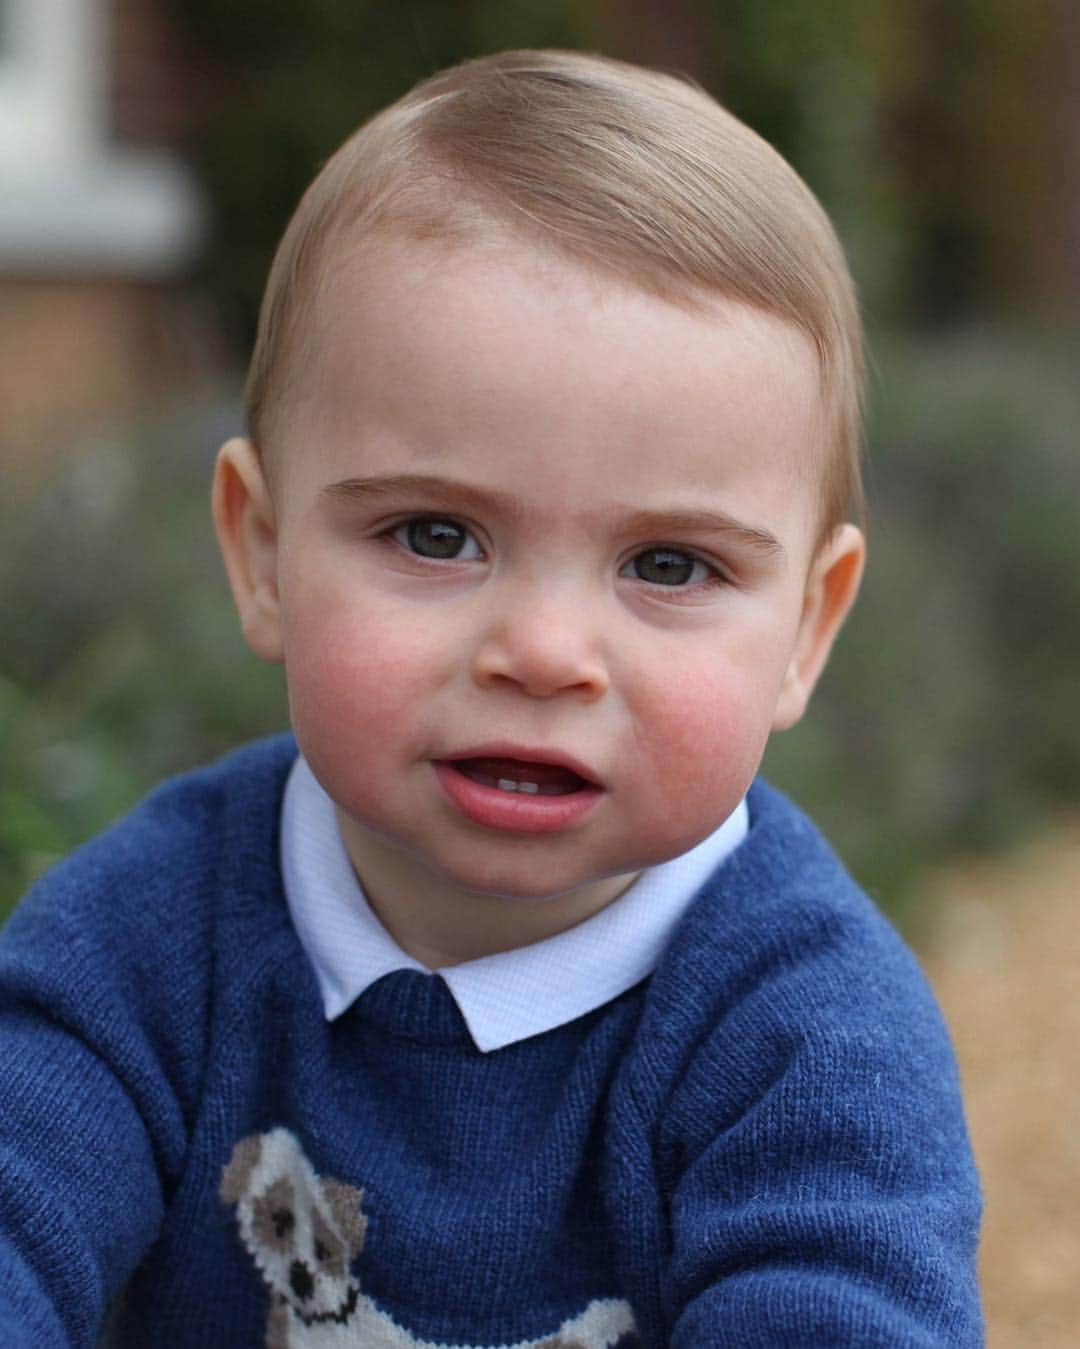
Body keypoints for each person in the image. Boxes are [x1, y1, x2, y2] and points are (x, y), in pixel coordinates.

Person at [0, 49, 982, 1348]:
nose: (543, 652)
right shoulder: (141, 945)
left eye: (668, 565)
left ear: (806, 632)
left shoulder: (806, 1042)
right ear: (259, 552)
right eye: (435, 535)